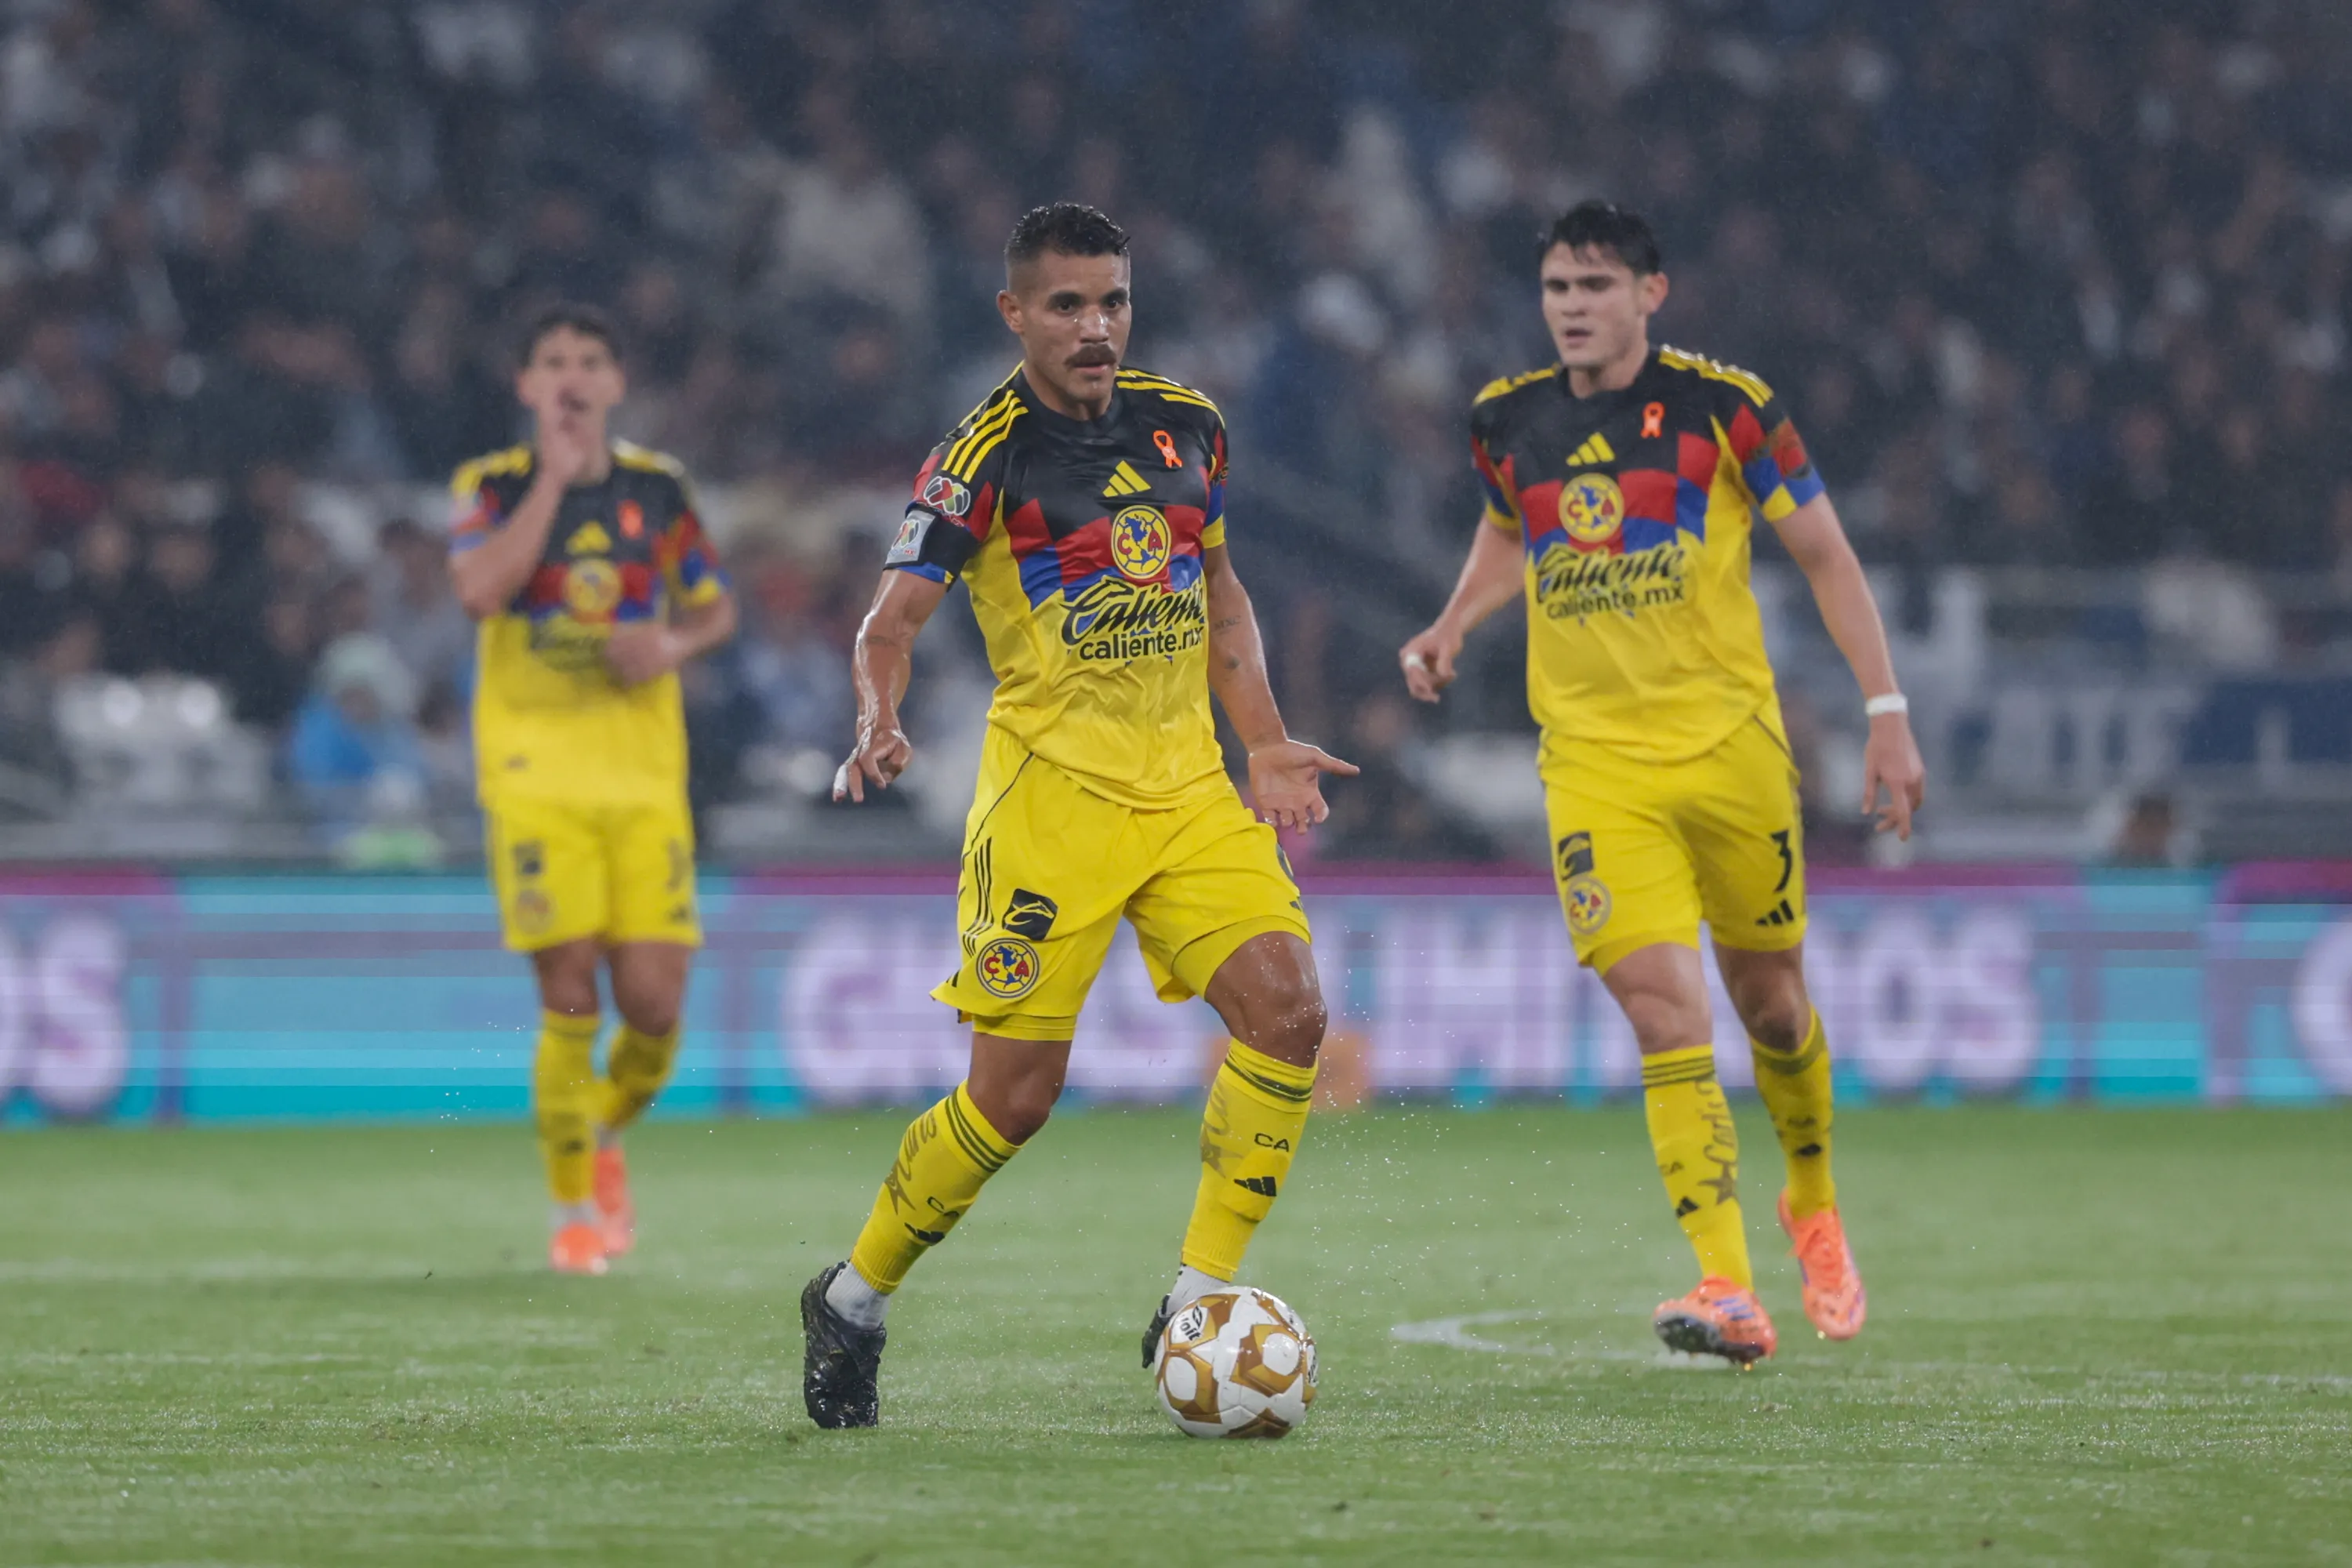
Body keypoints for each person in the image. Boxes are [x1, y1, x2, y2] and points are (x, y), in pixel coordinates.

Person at [800, 204, 1356, 1429]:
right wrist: (877, 720)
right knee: (1013, 1100)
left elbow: (1220, 592)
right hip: (1051, 802)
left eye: (1111, 301)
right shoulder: (981, 458)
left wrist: (1261, 741)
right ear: (1016, 314)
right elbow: (886, 625)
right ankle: (853, 1297)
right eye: (1066, 305)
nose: (1095, 326)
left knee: (1291, 1014)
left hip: (1189, 793)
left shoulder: (1188, 427)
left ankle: (1196, 1302)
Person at [1399, 203, 1926, 1365]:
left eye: (1594, 284)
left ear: (1652, 293)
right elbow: (1508, 533)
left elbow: (1827, 555)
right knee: (1660, 1010)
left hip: (1733, 752)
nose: (1572, 305)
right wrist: (1452, 627)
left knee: (1772, 1003)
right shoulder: (1507, 421)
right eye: (1555, 286)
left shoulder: (1726, 410)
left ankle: (1812, 1198)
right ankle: (1728, 1285)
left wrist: (1886, 715)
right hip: (1594, 767)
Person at [446, 304, 738, 1276]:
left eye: (590, 362)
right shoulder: (490, 488)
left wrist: (671, 643)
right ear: (527, 386)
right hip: (534, 772)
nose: (571, 377)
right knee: (569, 987)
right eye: (553, 363)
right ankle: (573, 1207)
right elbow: (480, 592)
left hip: (643, 773)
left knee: (654, 1005)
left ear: (616, 382)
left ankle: (599, 1129)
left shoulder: (660, 491)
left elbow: (714, 606)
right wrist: (557, 484)